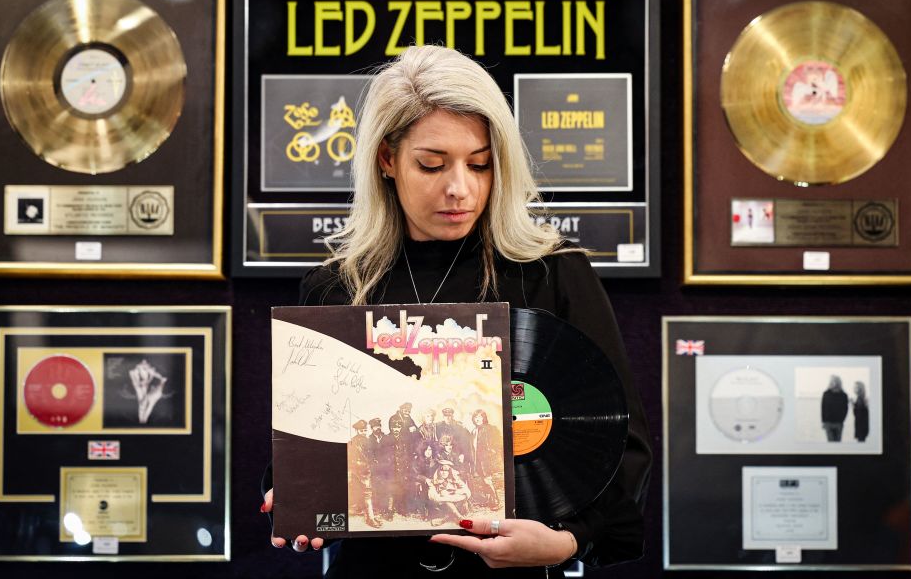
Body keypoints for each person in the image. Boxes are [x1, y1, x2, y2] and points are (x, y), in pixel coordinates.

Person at [260, 44, 652, 576]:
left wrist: (567, 543)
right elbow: (309, 444)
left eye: (481, 164)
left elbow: (618, 442)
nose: (459, 188)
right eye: (431, 164)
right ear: (386, 159)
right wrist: (292, 493)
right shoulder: (337, 287)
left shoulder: (552, 275)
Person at [821, 375, 849, 442]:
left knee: (838, 443)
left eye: (835, 381)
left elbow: (846, 409)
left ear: (839, 382)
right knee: (830, 443)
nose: (834, 383)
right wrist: (823, 422)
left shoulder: (844, 395)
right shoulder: (826, 394)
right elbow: (823, 408)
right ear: (830, 382)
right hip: (828, 423)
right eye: (832, 381)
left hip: (839, 423)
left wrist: (842, 419)